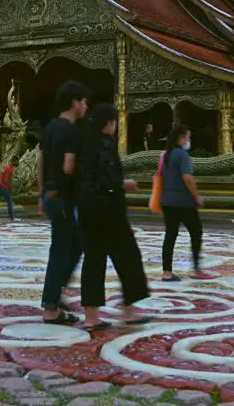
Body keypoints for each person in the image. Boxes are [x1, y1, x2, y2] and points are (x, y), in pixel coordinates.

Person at [76, 103, 151, 330]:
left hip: (88, 210)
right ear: (108, 123)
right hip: (109, 210)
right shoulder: (105, 144)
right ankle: (129, 310)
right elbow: (104, 179)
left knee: (93, 261)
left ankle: (91, 317)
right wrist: (123, 184)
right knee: (128, 257)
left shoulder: (85, 144)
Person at [39, 81, 89, 323]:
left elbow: (40, 162)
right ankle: (51, 306)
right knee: (60, 250)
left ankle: (55, 293)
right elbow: (68, 167)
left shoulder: (49, 128)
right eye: (84, 101)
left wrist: (42, 193)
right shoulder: (71, 131)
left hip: (51, 195)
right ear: (75, 102)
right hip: (64, 197)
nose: (86, 106)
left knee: (76, 242)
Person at [158, 123, 212, 282]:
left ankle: (166, 272)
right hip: (183, 201)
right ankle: (196, 269)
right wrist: (196, 196)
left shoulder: (165, 154)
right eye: (188, 137)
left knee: (170, 236)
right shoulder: (182, 155)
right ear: (181, 138)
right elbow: (187, 178)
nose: (189, 140)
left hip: (167, 200)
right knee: (196, 232)